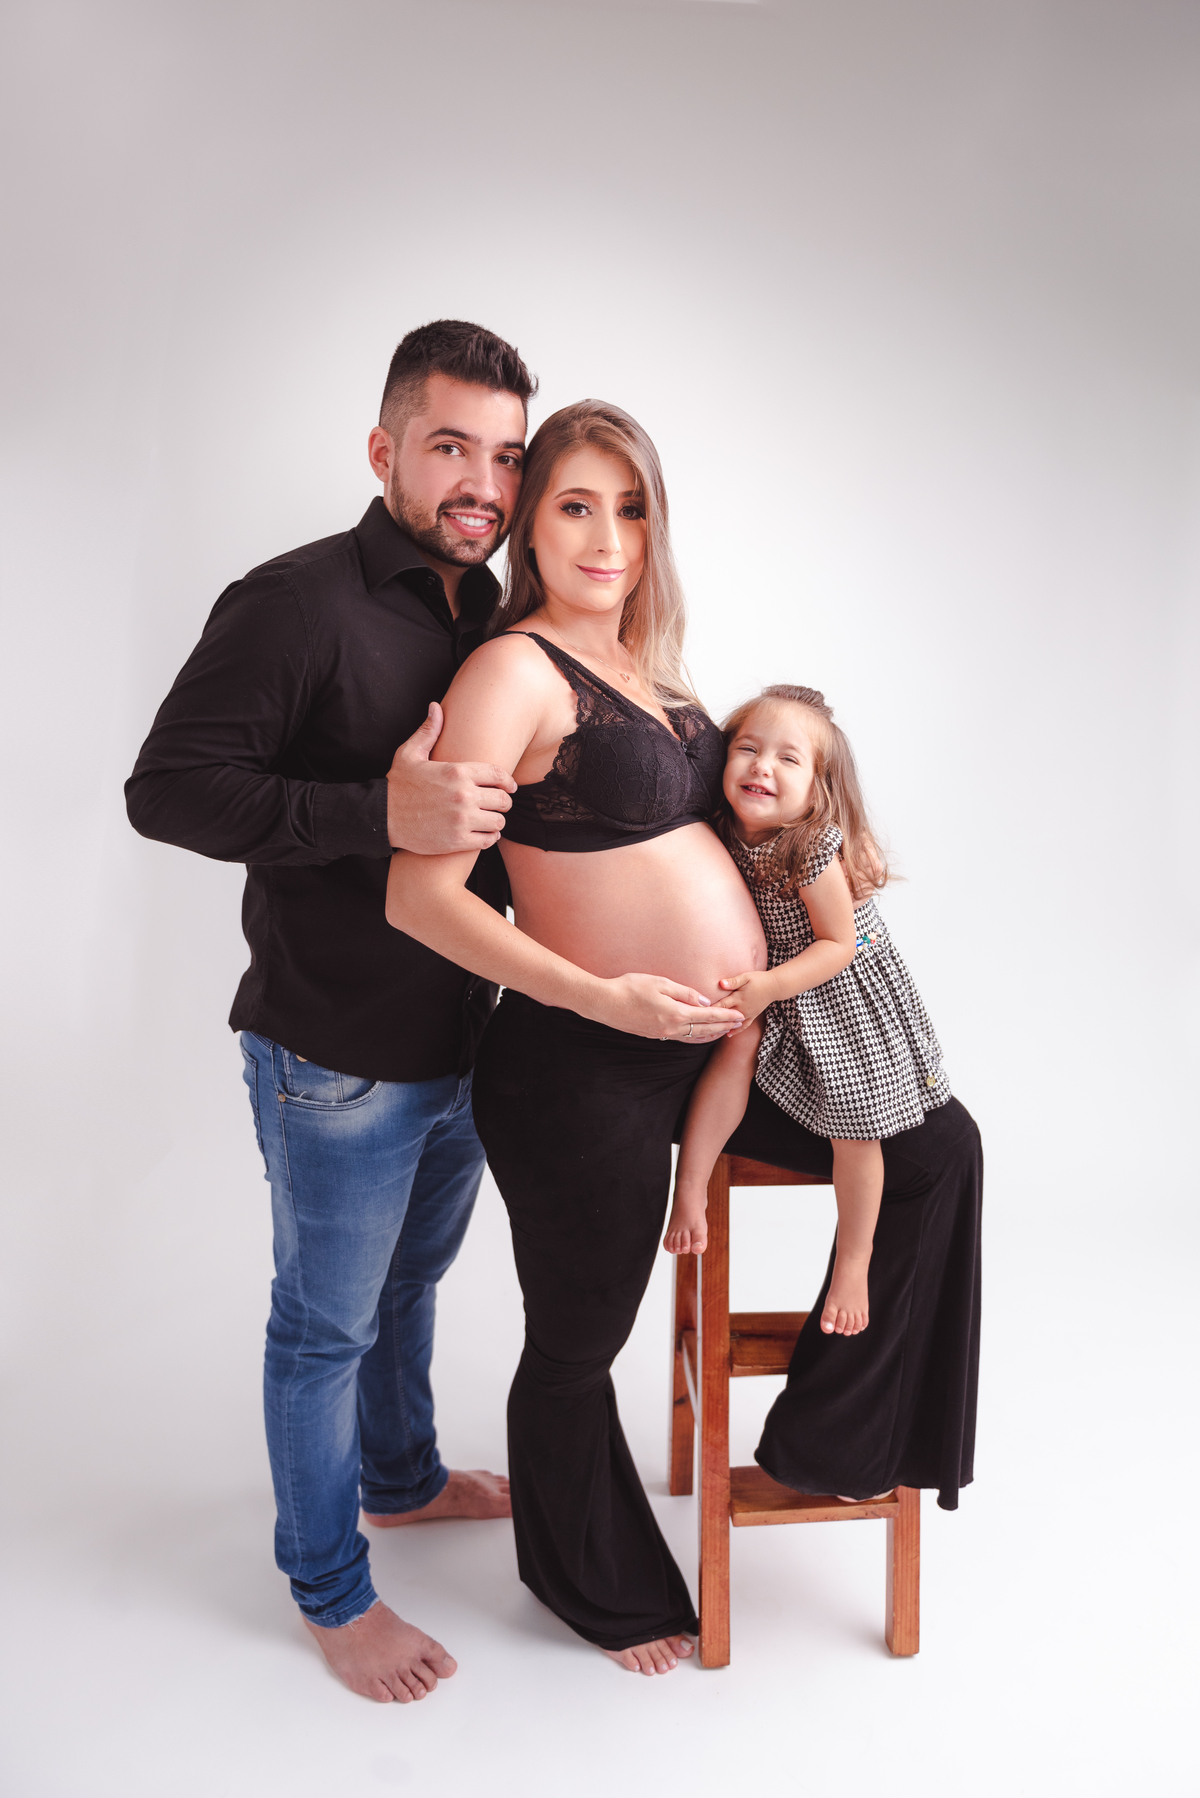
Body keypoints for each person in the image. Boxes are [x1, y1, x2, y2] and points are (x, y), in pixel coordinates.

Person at [123, 323, 738, 1707]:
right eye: (451, 447)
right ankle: (330, 1592)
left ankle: (399, 1476)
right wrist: (371, 811)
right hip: (337, 1043)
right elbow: (165, 790)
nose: (482, 482)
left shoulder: (492, 615)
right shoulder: (295, 604)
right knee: (324, 1329)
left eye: (507, 457)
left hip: (477, 1032)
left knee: (412, 1285)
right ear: (383, 449)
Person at [386, 400, 983, 1678]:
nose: (607, 538)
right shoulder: (512, 672)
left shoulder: (655, 670)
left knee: (938, 1148)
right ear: (531, 525)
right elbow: (420, 898)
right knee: (577, 1343)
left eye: (632, 509)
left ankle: (829, 1435)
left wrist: (827, 863)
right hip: (581, 1064)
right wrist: (602, 997)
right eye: (576, 506)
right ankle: (585, 1580)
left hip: (717, 1049)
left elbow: (732, 824)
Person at [664, 685, 952, 1347]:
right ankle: (690, 1187)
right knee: (736, 1049)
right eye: (747, 749)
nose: (761, 767)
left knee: (856, 1126)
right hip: (772, 987)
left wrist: (768, 987)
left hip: (839, 993)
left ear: (819, 789)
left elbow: (838, 945)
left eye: (788, 759)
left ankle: (854, 1262)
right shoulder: (719, 829)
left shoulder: (811, 848)